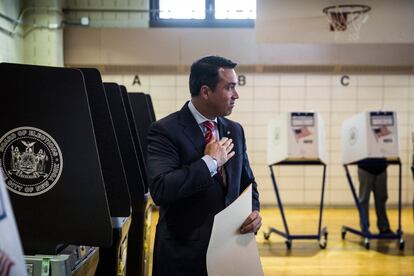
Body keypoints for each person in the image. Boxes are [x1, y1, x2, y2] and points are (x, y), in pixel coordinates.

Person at [147, 56, 261, 276]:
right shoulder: (165, 130)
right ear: (206, 91)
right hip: (184, 255)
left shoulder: (234, 130)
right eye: (229, 88)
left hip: (229, 251)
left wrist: (254, 210)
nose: (236, 95)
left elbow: (248, 182)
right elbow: (161, 189)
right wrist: (210, 163)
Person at [357, 159, 393, 235]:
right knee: (364, 200)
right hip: (365, 166)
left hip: (381, 167)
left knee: (382, 198)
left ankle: (384, 227)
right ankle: (365, 228)